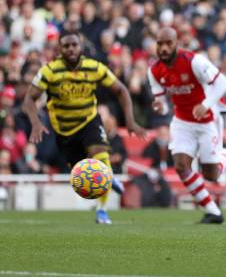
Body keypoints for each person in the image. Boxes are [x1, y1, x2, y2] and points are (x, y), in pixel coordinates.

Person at [23, 32, 147, 224]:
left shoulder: (94, 67)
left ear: (80, 47)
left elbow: (121, 90)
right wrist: (36, 122)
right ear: (60, 49)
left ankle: (102, 211)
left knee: (100, 155)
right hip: (64, 130)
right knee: (82, 177)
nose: (71, 49)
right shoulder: (49, 71)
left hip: (89, 121)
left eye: (74, 45)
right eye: (66, 46)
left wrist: (129, 121)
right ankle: (108, 178)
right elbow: (29, 99)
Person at [148, 27, 226, 224]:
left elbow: (223, 83)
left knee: (211, 175)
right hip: (182, 121)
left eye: (169, 43)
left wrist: (205, 104)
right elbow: (162, 104)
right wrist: (159, 106)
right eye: (160, 44)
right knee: (181, 165)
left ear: (177, 43)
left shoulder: (195, 61)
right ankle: (212, 211)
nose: (164, 48)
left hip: (208, 120)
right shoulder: (154, 70)